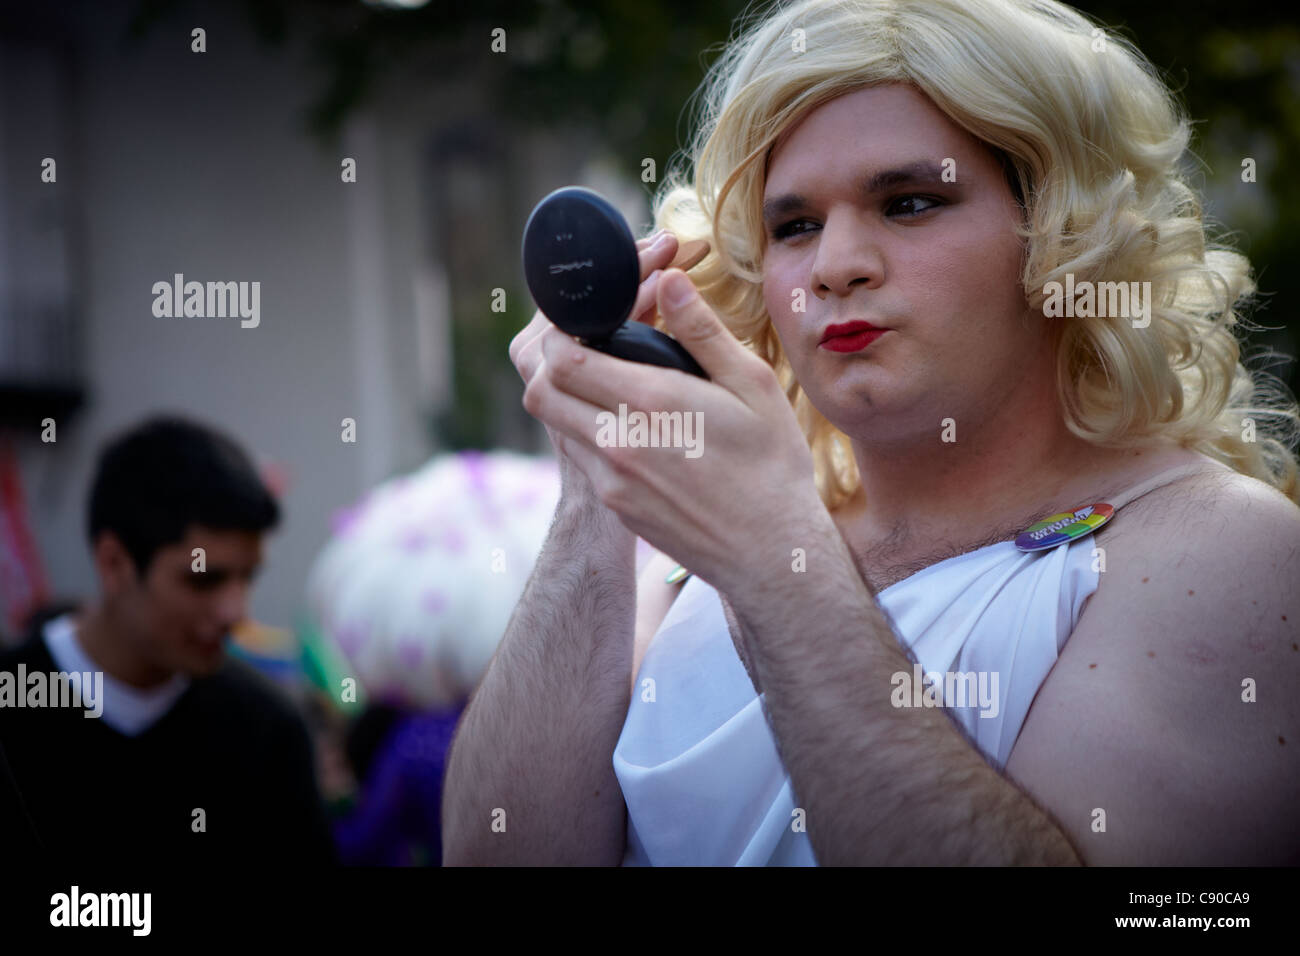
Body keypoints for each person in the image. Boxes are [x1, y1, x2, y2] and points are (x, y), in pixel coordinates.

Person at [443, 0, 1300, 866]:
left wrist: (780, 567)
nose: (834, 266)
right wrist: (594, 488)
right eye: (795, 225)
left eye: (911, 203)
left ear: (1063, 235)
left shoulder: (1227, 548)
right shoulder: (687, 572)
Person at [0, 415, 336, 866]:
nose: (234, 612)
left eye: (246, 578)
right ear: (114, 563)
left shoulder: (268, 733)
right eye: (203, 580)